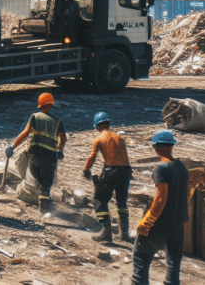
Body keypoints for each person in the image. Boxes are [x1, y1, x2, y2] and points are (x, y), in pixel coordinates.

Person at [131, 130, 188, 285]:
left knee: (140, 258)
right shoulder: (182, 167)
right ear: (171, 146)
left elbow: (161, 198)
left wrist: (148, 221)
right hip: (178, 225)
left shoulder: (161, 168)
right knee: (173, 264)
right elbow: (185, 194)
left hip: (160, 223)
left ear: (156, 148)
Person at [5, 92, 67, 212]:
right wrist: (60, 150)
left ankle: (34, 197)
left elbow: (25, 133)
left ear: (40, 105)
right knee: (45, 184)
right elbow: (63, 137)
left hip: (35, 154)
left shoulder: (35, 117)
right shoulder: (57, 121)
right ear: (51, 105)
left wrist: (12, 147)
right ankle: (44, 209)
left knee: (36, 176)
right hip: (50, 155)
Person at [83, 112, 133, 243]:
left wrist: (86, 170)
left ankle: (106, 232)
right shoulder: (119, 137)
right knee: (122, 202)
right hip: (126, 171)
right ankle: (125, 234)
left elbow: (92, 156)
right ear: (108, 124)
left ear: (98, 126)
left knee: (100, 200)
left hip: (112, 171)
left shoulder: (99, 139)